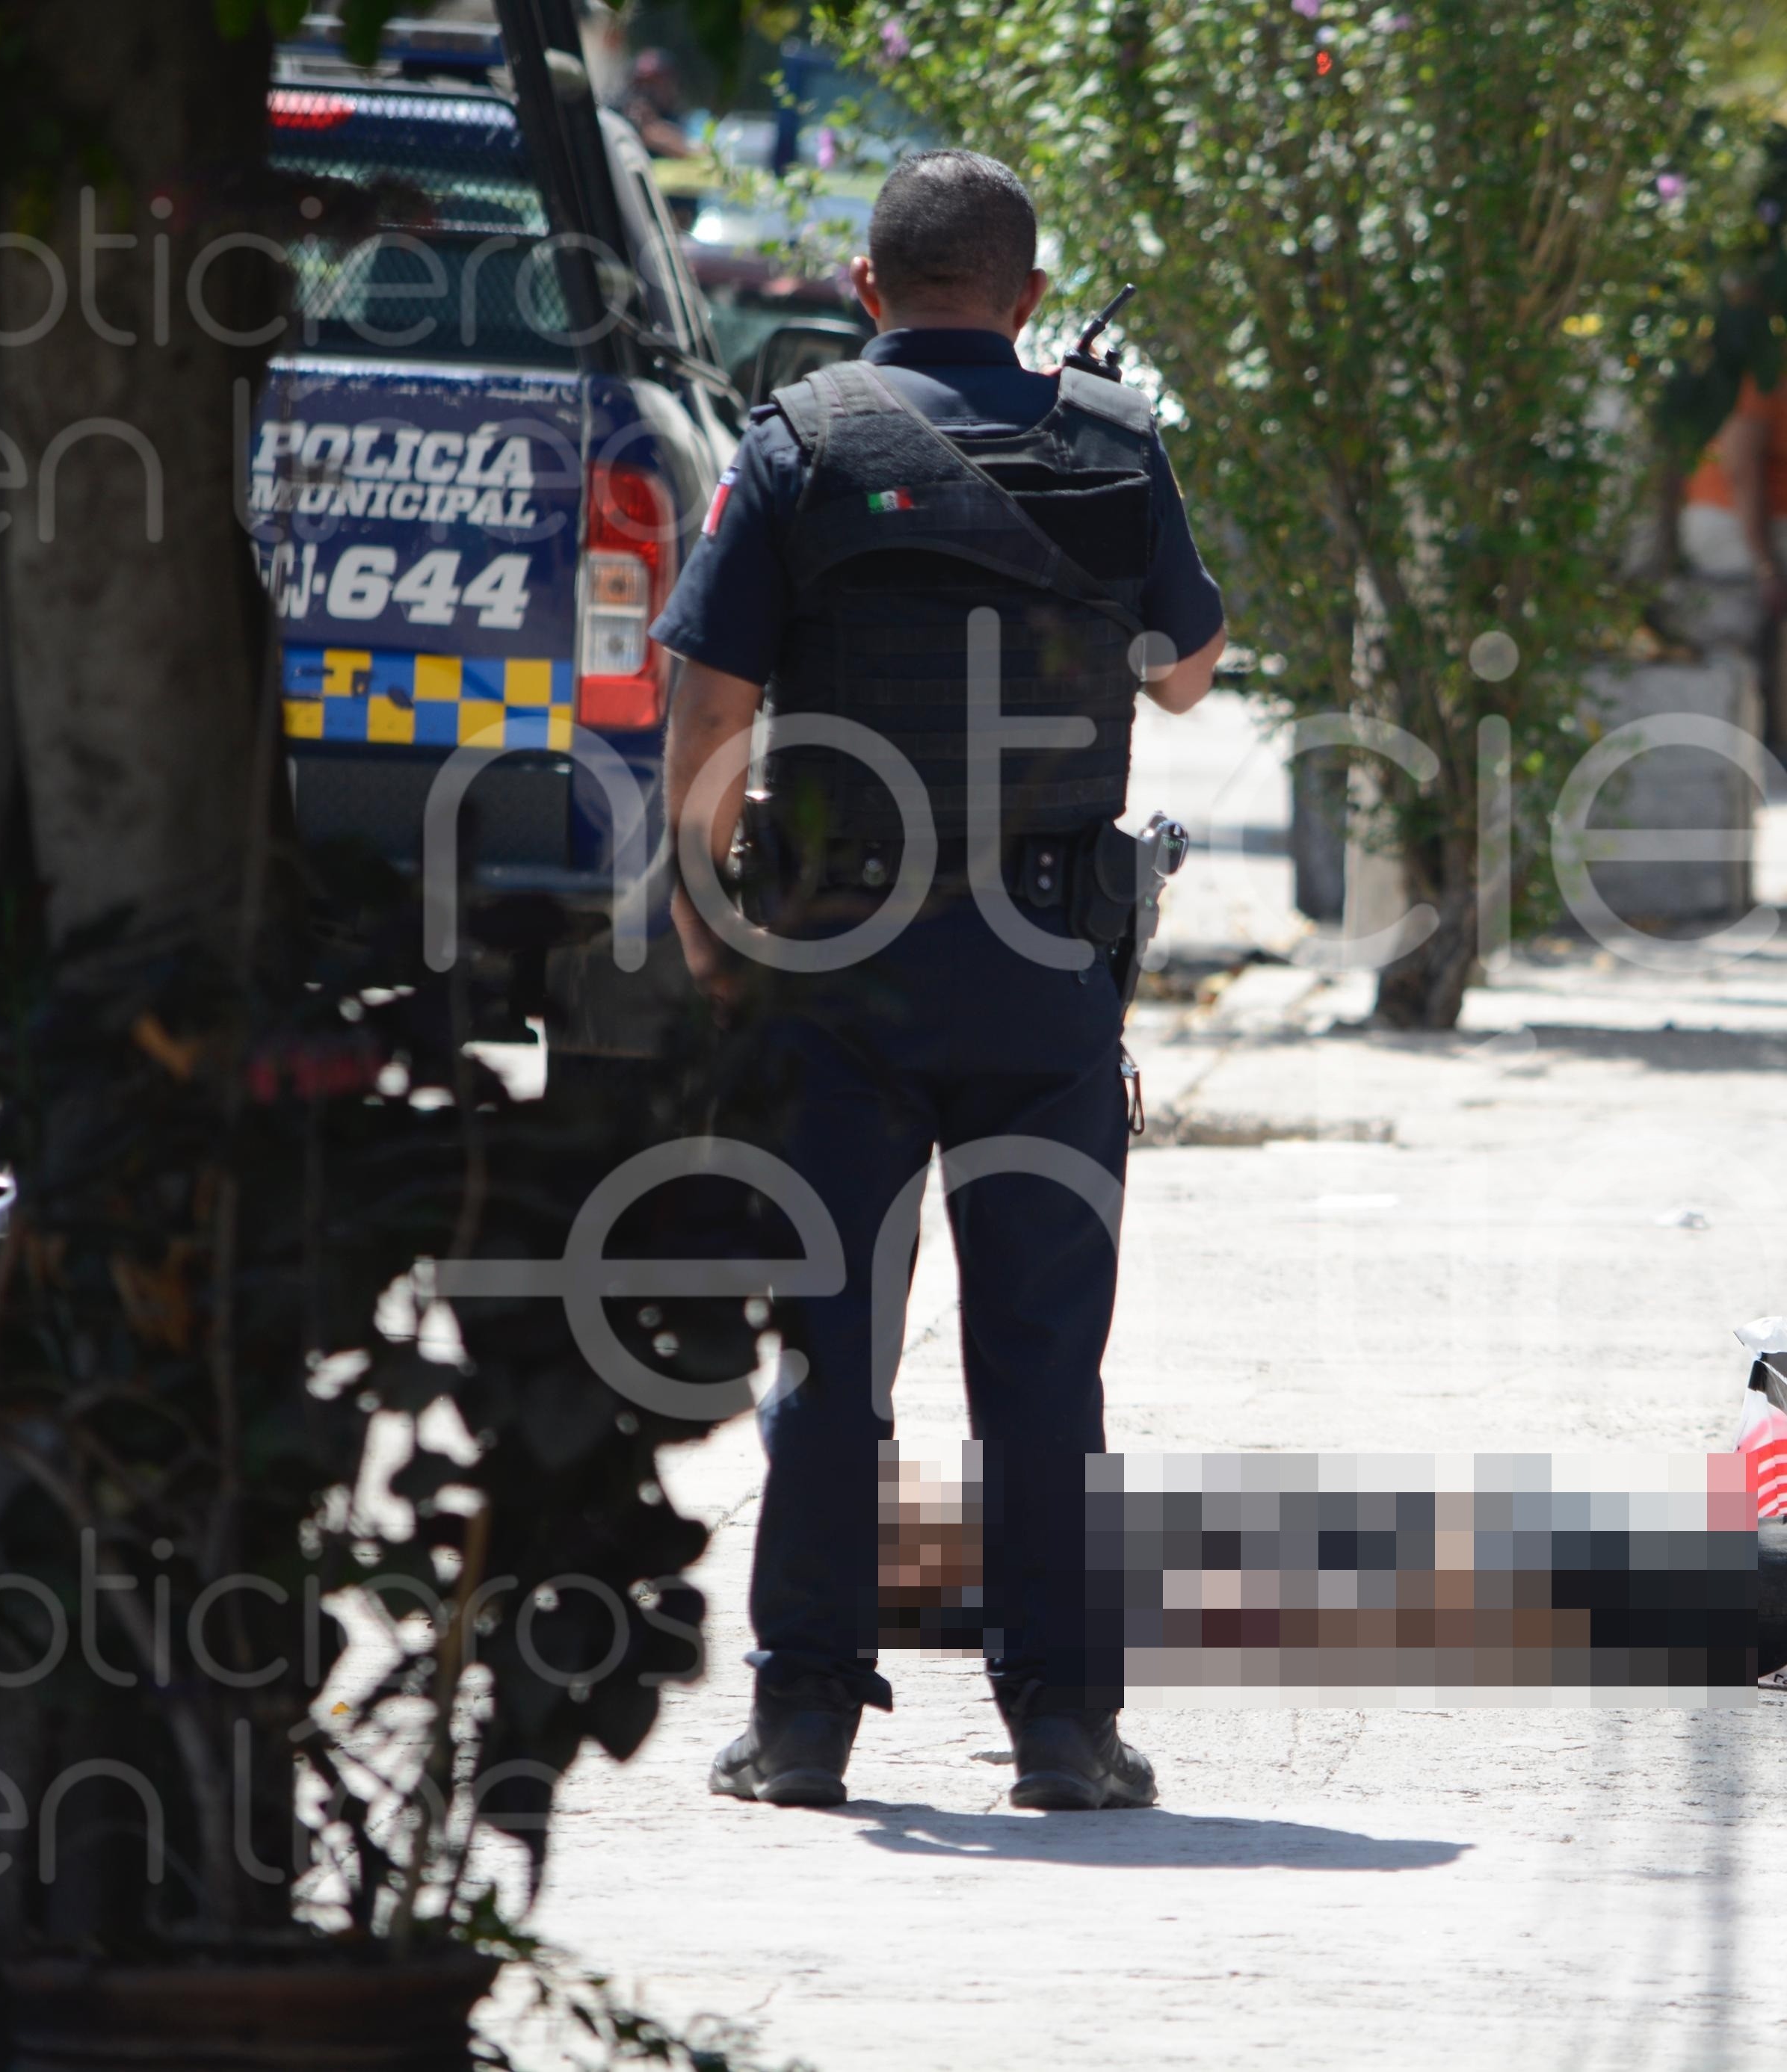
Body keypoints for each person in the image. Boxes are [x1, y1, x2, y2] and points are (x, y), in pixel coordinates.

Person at [649, 148, 1226, 1814]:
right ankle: (1060, 1729)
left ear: (864, 288)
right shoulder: (1112, 447)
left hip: (830, 969)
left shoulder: (799, 447)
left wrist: (710, 937)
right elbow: (1188, 673)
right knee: (1044, 1360)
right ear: (1030, 300)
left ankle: (805, 1723)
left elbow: (707, 718)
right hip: (1045, 976)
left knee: (827, 1348)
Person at [1676, 359, 1787, 750]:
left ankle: (1786, 739)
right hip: (1734, 528)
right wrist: (1765, 567)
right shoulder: (1756, 375)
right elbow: (1741, 472)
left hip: (1769, 530)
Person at [617, 49, 696, 158]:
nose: (646, 90)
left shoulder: (694, 121)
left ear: (673, 82)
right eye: (639, 83)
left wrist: (652, 131)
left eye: (653, 81)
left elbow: (700, 153)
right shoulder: (619, 121)